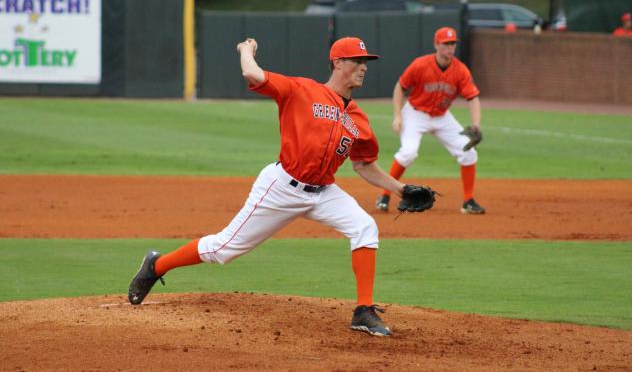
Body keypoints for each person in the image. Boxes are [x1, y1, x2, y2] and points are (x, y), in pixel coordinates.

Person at [128, 36, 433, 337]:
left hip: (324, 192)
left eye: (366, 62)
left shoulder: (359, 120)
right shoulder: (302, 89)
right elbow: (253, 74)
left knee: (365, 226)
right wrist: (246, 50)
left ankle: (363, 311)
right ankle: (157, 265)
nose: (364, 67)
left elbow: (363, 165)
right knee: (223, 249)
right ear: (338, 62)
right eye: (357, 61)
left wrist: (401, 189)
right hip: (281, 188)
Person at [376, 26, 485, 214]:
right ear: (436, 44)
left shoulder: (460, 70)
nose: (450, 48)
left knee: (468, 151)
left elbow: (473, 98)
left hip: (442, 117)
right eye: (446, 44)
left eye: (453, 44)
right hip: (415, 114)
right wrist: (397, 115)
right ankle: (384, 195)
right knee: (408, 152)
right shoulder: (420, 65)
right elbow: (400, 87)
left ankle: (468, 201)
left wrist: (476, 124)